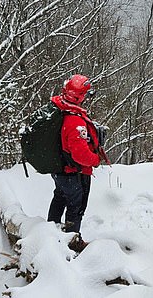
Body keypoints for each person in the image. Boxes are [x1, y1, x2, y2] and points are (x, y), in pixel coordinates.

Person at [47, 74, 101, 253]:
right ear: (78, 96)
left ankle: (50, 233)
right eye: (84, 94)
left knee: (60, 197)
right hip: (71, 172)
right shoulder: (74, 121)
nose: (86, 97)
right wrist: (95, 160)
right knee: (75, 207)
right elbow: (80, 154)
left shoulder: (60, 109)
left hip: (60, 169)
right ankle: (72, 243)